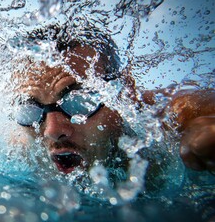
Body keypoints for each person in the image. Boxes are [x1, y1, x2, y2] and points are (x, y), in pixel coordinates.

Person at [11, 23, 215, 177]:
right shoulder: (21, 150)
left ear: (124, 92)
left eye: (80, 101)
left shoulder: (156, 114)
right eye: (29, 109)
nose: (52, 131)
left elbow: (196, 106)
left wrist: (201, 129)